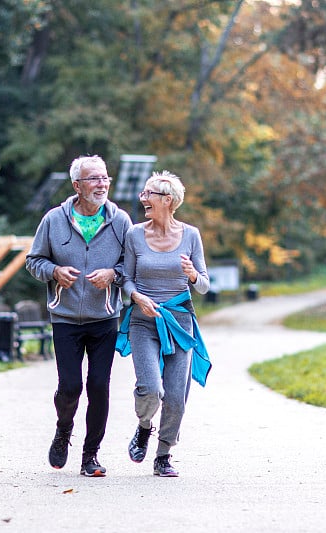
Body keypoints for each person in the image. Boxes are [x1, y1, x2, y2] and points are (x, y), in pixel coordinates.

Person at [25, 155, 131, 477]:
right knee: (70, 387)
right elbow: (33, 260)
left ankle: (91, 455)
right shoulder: (54, 220)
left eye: (104, 178)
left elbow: (132, 265)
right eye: (93, 179)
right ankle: (63, 430)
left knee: (99, 385)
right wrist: (54, 271)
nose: (101, 184)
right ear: (77, 186)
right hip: (66, 318)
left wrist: (113, 274)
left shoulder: (120, 221)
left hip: (104, 318)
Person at [116, 170, 211, 477]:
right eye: (143, 193)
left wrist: (193, 275)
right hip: (144, 321)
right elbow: (126, 279)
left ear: (168, 201)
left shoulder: (191, 235)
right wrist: (136, 297)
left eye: (149, 194)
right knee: (150, 389)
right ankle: (144, 427)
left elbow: (205, 285)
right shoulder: (134, 235)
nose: (143, 198)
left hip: (180, 323)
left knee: (175, 397)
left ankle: (163, 454)